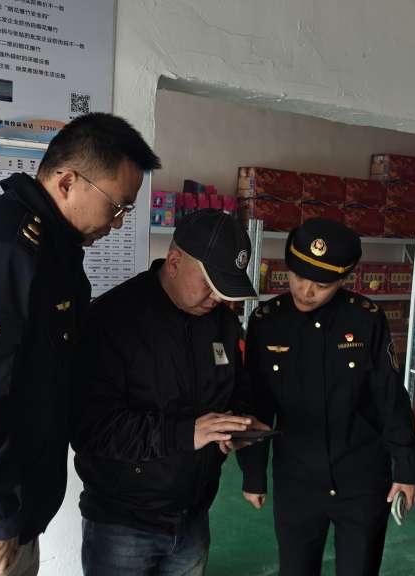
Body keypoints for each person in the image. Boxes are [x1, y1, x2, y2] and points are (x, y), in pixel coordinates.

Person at [0, 113, 161, 576]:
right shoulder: (2, 250)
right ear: (67, 182)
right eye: (116, 206)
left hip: (6, 522)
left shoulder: (53, 252)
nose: (118, 223)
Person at [73, 208, 269, 576]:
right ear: (175, 262)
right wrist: (187, 433)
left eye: (224, 287)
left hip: (194, 516)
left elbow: (237, 389)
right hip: (123, 524)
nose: (217, 297)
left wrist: (236, 425)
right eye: (209, 283)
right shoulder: (114, 319)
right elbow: (91, 429)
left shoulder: (222, 323)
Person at [239, 218, 415, 576]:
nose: (306, 290)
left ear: (343, 280)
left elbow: (389, 396)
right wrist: (253, 473)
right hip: (297, 479)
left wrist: (407, 467)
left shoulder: (366, 319)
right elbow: (257, 403)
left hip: (361, 477)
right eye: (297, 276)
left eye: (321, 285)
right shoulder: (267, 321)